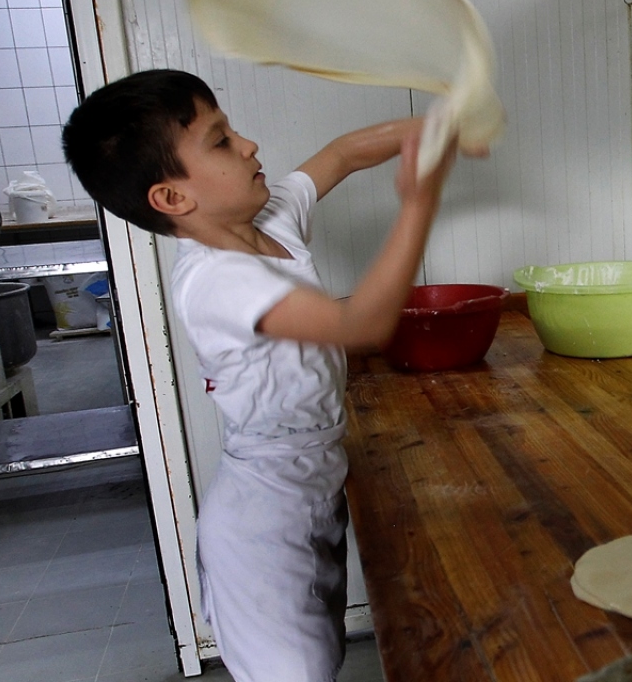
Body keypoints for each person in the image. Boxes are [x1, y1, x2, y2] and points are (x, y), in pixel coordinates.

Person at [62, 68, 466, 681]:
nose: (249, 145)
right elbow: (362, 326)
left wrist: (433, 128)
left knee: (321, 658)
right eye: (221, 141)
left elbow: (342, 154)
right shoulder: (215, 280)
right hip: (262, 524)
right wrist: (420, 201)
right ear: (172, 198)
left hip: (313, 483)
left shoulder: (268, 221)